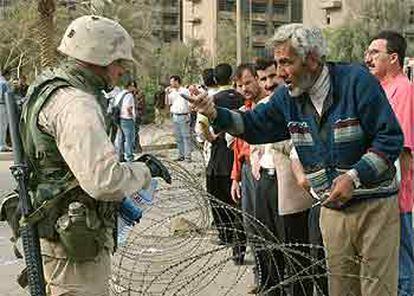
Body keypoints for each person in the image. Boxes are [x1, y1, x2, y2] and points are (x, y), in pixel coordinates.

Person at [191, 24, 403, 296]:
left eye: (286, 62)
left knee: (378, 289)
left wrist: (354, 177)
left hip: (374, 204)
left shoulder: (356, 82)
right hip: (333, 209)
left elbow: (390, 139)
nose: (279, 73)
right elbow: (254, 125)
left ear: (312, 59)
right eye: (277, 63)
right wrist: (213, 111)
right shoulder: (288, 98)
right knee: (340, 289)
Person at [19, 15, 168, 296]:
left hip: (57, 232)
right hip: (72, 247)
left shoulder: (48, 88)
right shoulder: (77, 104)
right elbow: (105, 182)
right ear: (97, 58)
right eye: (117, 62)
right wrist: (144, 171)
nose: (121, 71)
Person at [365, 30, 414, 296]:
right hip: (379, 192)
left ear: (393, 58)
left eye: (375, 53)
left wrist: (401, 196)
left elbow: (404, 150)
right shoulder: (380, 90)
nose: (368, 58)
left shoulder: (403, 91)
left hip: (396, 196)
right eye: (368, 53)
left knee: (402, 263)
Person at [166, 75, 192, 162]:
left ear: (177, 81)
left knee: (186, 136)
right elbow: (168, 103)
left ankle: (187, 156)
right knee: (178, 137)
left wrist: (189, 115)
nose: (171, 83)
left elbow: (189, 103)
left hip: (183, 115)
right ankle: (181, 155)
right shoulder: (172, 92)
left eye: (172, 81)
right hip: (175, 116)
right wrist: (166, 93)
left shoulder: (185, 91)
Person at [114, 80, 137, 162]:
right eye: (134, 86)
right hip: (127, 119)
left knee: (121, 138)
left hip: (119, 118)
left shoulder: (120, 94)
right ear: (130, 86)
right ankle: (129, 157)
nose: (134, 88)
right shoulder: (129, 95)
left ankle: (120, 156)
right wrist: (132, 116)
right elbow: (128, 107)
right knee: (129, 139)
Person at [0, 69, 11, 152]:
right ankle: (2, 145)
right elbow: (4, 95)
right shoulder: (4, 83)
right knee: (3, 126)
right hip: (2, 105)